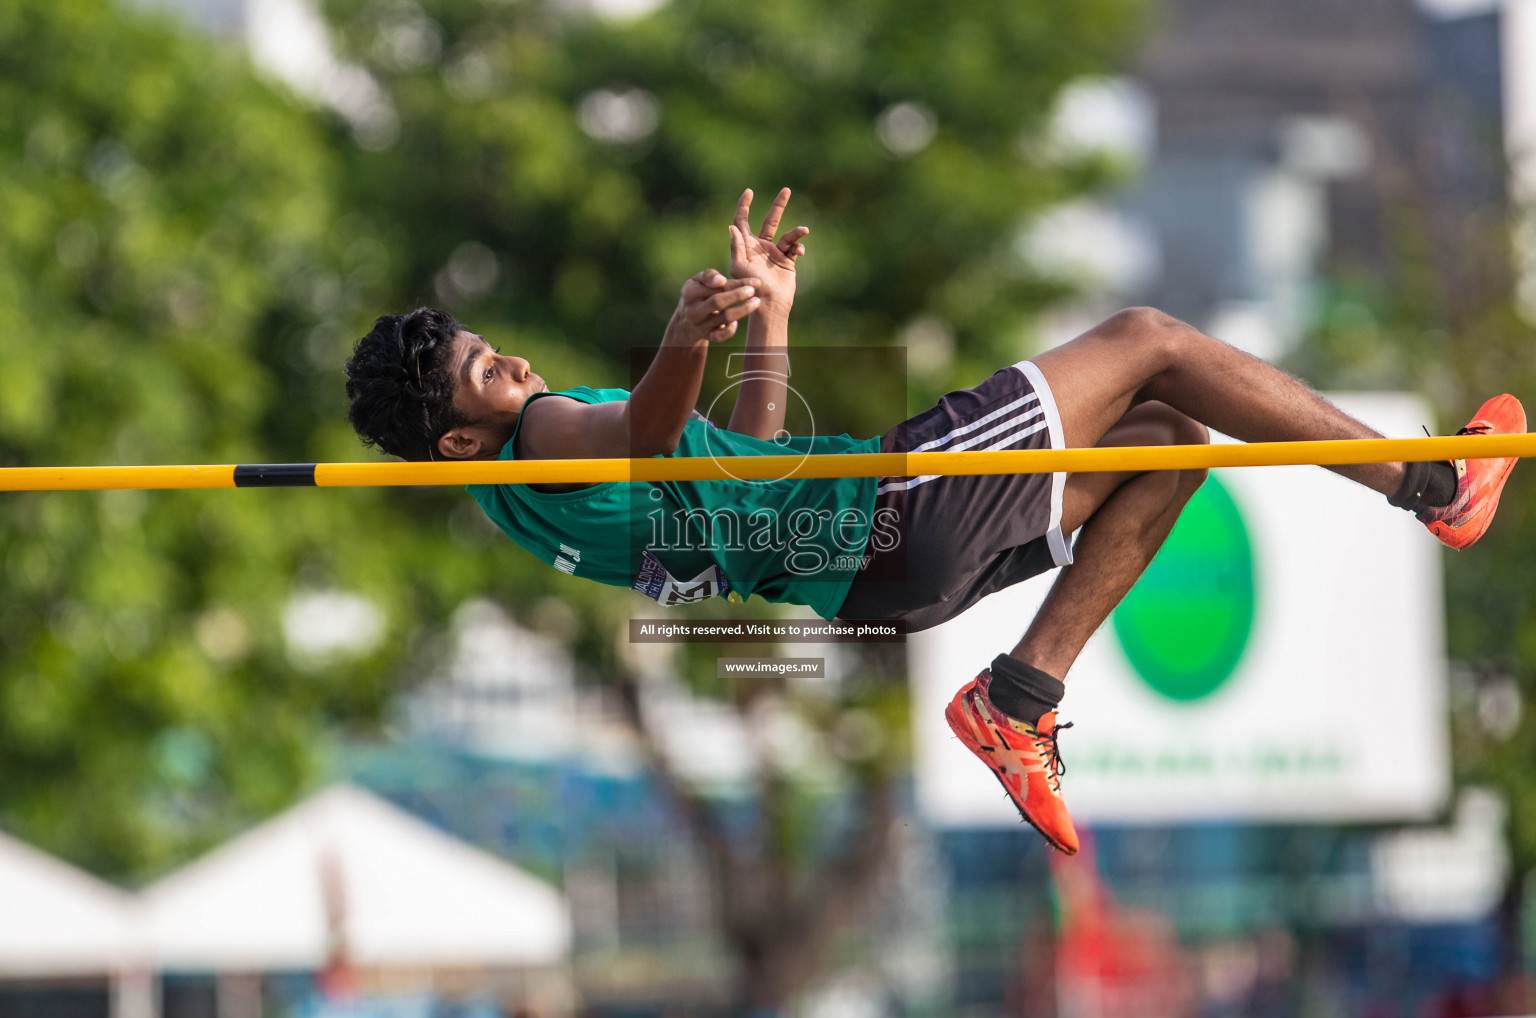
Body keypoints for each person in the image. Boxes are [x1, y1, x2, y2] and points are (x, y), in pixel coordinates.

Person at [343, 188, 1525, 854]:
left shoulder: (517, 498)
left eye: (495, 351)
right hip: (886, 509)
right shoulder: (543, 440)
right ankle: (1434, 485)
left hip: (880, 577)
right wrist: (678, 338)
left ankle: (1018, 701)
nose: (517, 368)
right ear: (456, 438)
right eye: (487, 375)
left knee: (1167, 448)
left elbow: (742, 464)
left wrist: (769, 321)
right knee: (1150, 340)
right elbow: (651, 432)